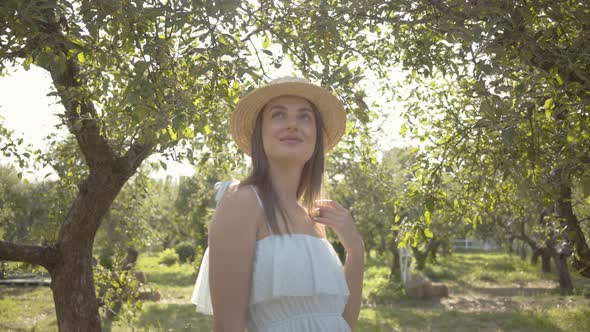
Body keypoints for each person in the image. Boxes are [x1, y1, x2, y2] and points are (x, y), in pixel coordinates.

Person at [191, 76, 365, 331]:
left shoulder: (314, 218)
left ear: (316, 136)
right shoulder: (242, 201)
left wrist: (355, 250)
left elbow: (341, 322)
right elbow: (228, 326)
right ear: (259, 134)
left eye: (305, 117)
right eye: (278, 115)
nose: (293, 124)